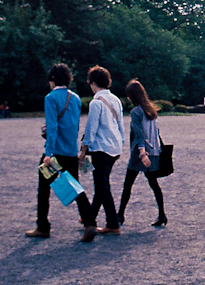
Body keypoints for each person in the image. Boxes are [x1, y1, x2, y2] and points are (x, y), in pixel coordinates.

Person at [26, 63, 87, 239]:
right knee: (76, 188)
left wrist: (48, 153)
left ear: (52, 79)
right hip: (70, 151)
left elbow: (52, 128)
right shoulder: (75, 98)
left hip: (55, 154)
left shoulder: (51, 98)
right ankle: (89, 221)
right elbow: (74, 126)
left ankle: (43, 226)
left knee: (44, 189)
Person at [77, 66, 125, 242]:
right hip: (114, 147)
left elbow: (91, 129)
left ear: (93, 82)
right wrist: (121, 143)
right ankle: (90, 216)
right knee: (101, 183)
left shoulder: (96, 103)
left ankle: (113, 224)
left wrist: (83, 150)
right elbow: (121, 125)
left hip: (101, 148)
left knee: (103, 185)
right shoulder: (116, 100)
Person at [117, 80, 167, 228]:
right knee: (154, 184)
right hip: (153, 151)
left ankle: (120, 215)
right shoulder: (151, 110)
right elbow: (156, 133)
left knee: (128, 185)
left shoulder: (136, 112)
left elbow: (139, 135)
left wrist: (141, 153)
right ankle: (162, 214)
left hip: (141, 153)